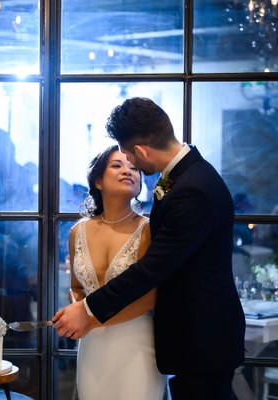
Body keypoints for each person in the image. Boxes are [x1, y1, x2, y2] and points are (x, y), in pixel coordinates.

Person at [53, 97, 246, 400]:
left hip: (203, 337)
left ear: (140, 150)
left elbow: (151, 270)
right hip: (190, 339)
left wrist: (88, 311)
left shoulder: (192, 189)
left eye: (129, 155)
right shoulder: (185, 177)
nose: (130, 164)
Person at [69, 144, 166, 400]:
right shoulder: (77, 232)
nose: (128, 171)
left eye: (134, 168)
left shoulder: (148, 229)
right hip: (92, 346)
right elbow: (77, 287)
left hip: (136, 342)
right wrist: (77, 308)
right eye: (117, 165)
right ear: (98, 181)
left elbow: (151, 296)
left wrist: (90, 318)